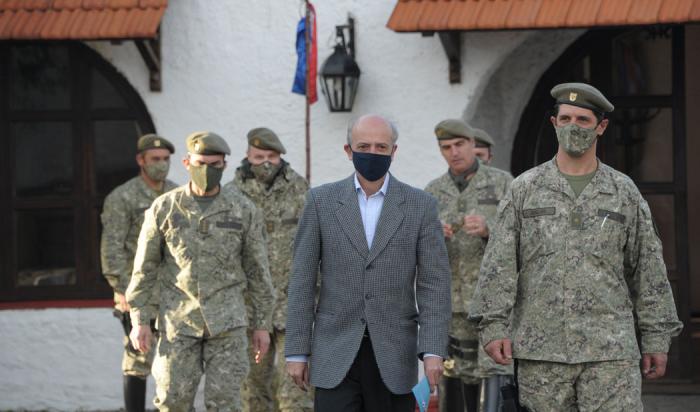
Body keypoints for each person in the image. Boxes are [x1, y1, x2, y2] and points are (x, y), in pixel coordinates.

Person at [470, 83, 683, 411]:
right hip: (542, 354)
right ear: (554, 123)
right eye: (565, 118)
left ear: (601, 127)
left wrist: (657, 336)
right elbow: (499, 264)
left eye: (583, 120)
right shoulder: (525, 189)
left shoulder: (622, 191)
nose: (573, 127)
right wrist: (493, 325)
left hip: (610, 352)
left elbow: (648, 268)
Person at [285, 114, 451, 412]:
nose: (372, 153)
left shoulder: (421, 206)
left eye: (380, 147)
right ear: (348, 150)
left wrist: (433, 350)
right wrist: (296, 351)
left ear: (393, 152)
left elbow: (434, 284)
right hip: (335, 352)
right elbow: (302, 280)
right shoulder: (320, 202)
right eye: (364, 146)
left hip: (394, 355)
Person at [126, 131, 275, 411]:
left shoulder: (243, 209)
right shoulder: (165, 208)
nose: (207, 170)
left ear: (224, 166)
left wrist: (262, 325)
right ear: (186, 163)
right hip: (178, 323)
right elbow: (144, 269)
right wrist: (139, 320)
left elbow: (258, 272)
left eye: (215, 165)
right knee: (173, 401)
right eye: (200, 163)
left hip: (228, 324)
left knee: (226, 404)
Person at [424, 119, 513, 412]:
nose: (454, 153)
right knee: (455, 382)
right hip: (453, 304)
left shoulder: (503, 183)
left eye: (459, 145)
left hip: (493, 306)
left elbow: (524, 237)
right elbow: (416, 250)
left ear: (473, 145)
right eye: (446, 147)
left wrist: (490, 230)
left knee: (497, 379)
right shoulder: (433, 192)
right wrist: (432, 236)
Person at [224, 127, 312, 412]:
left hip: (294, 305)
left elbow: (318, 243)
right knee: (253, 390)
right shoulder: (230, 195)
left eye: (271, 156)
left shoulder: (300, 189)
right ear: (247, 156)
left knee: (297, 390)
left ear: (281, 157)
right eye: (259, 155)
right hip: (249, 309)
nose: (265, 162)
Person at [100, 134, 177, 412]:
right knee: (138, 358)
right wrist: (122, 291)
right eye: (155, 159)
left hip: (173, 293)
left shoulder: (177, 195)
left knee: (175, 359)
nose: (161, 165)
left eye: (166, 159)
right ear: (140, 160)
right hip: (138, 292)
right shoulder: (122, 197)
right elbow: (112, 250)